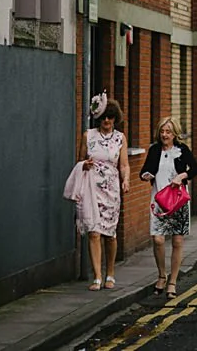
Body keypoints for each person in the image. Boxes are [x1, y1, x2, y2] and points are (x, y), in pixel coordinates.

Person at [74, 93, 129, 291]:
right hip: (91, 189)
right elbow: (79, 161)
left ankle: (110, 273)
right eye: (104, 116)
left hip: (112, 191)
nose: (107, 120)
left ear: (115, 118)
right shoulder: (88, 136)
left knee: (109, 235)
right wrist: (85, 164)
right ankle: (97, 276)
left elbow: (123, 165)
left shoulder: (120, 138)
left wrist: (126, 180)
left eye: (111, 117)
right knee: (94, 232)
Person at [140, 116, 197, 299]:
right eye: (162, 131)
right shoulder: (154, 150)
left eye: (168, 131)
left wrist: (182, 175)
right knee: (158, 240)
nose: (164, 135)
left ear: (175, 133)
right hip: (159, 200)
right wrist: (146, 175)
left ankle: (172, 282)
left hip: (178, 201)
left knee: (177, 241)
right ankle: (161, 275)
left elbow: (196, 169)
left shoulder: (182, 150)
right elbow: (144, 171)